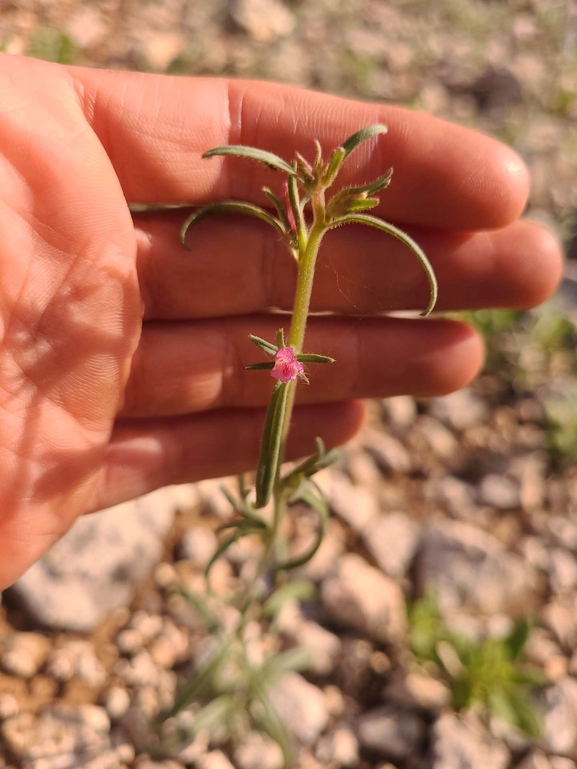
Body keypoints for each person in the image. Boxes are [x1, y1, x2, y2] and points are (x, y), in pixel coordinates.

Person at [0, 54, 562, 590]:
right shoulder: (284, 328)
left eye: (286, 362)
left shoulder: (299, 315)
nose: (286, 363)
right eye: (285, 360)